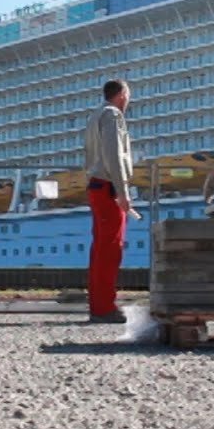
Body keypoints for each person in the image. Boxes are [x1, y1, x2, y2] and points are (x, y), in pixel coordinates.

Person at [83, 79, 134, 324]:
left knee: (100, 249)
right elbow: (114, 154)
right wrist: (123, 192)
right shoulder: (113, 115)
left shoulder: (95, 115)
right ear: (122, 94)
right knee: (110, 250)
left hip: (96, 185)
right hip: (108, 188)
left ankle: (99, 304)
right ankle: (104, 307)